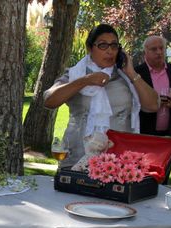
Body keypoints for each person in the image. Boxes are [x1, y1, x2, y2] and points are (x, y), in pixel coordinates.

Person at [43, 24, 159, 168]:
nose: (110, 51)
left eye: (114, 45)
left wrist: (132, 73)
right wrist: (86, 80)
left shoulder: (125, 76)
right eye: (103, 45)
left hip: (118, 161)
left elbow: (154, 105)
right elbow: (49, 100)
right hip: (77, 158)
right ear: (90, 48)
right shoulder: (75, 74)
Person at [135, 35, 171, 137]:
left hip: (170, 133)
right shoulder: (137, 74)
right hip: (144, 133)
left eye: (161, 48)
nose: (159, 52)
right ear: (145, 52)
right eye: (154, 49)